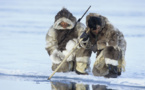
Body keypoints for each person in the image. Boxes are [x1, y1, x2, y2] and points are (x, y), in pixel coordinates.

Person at [45, 8, 92, 74]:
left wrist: (84, 39)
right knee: (61, 70)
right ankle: (68, 67)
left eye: (66, 22)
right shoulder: (53, 30)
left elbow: (87, 44)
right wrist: (56, 55)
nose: (64, 24)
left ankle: (81, 69)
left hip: (76, 52)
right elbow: (50, 45)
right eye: (62, 22)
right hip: (63, 55)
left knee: (83, 49)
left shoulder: (79, 27)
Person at [81, 13, 126, 78]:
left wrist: (97, 45)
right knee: (97, 72)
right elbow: (88, 46)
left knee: (111, 49)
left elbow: (113, 43)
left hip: (117, 46)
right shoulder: (89, 31)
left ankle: (114, 71)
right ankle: (108, 68)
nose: (96, 31)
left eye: (98, 28)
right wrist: (84, 40)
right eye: (94, 30)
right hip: (102, 48)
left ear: (100, 26)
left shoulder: (110, 28)